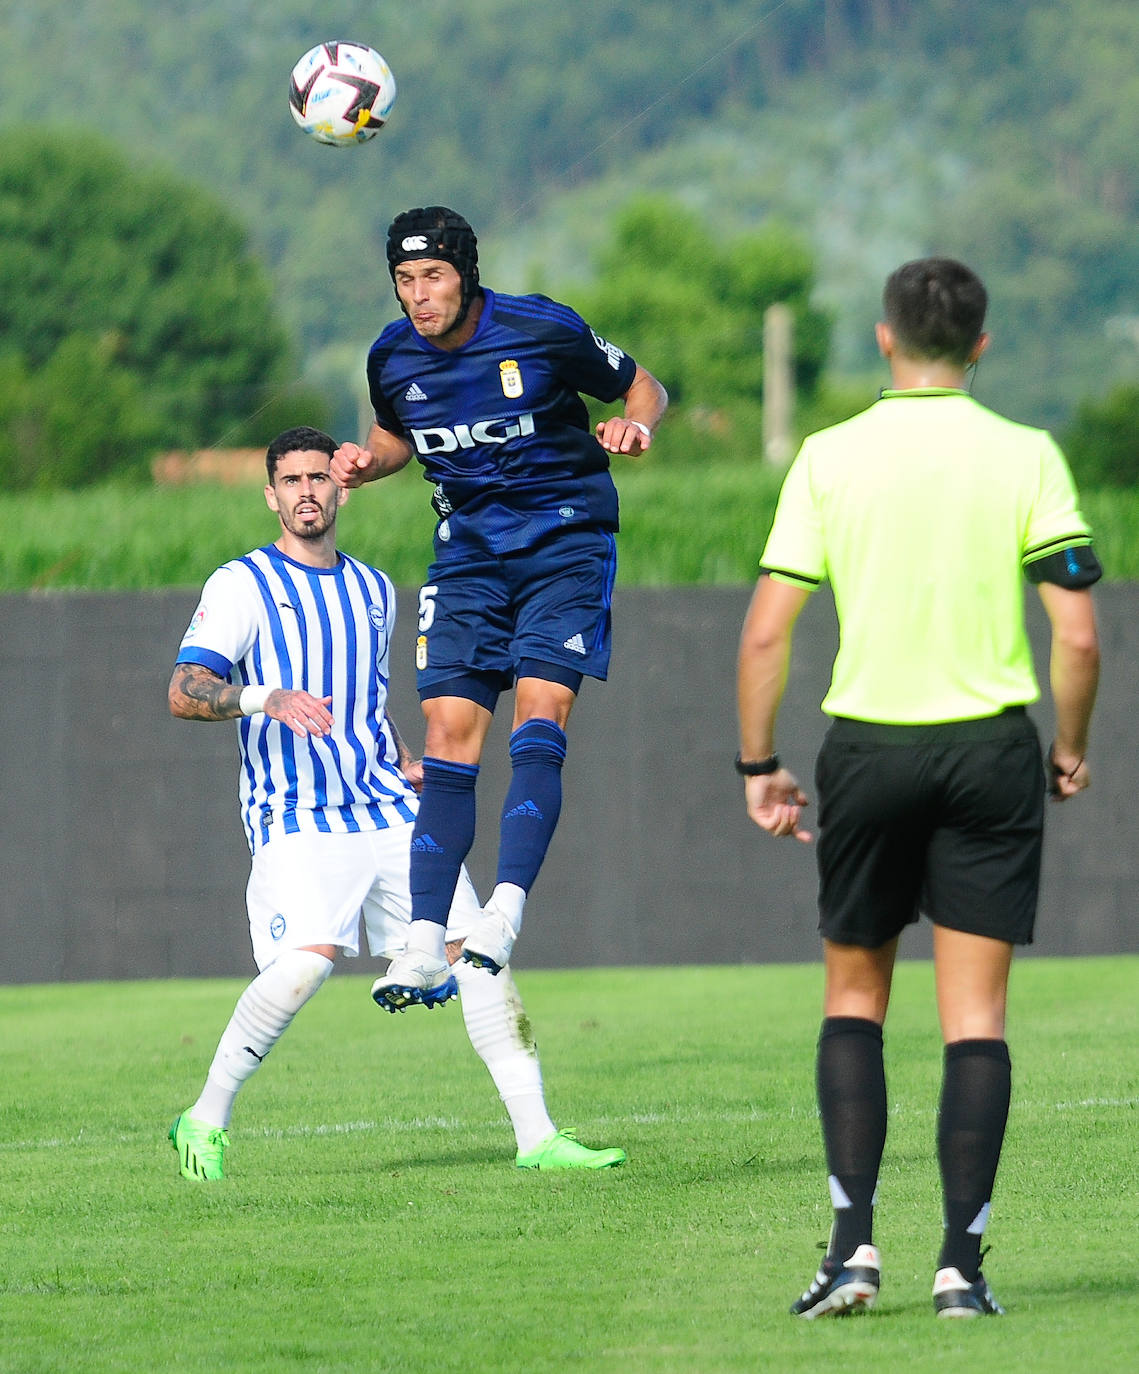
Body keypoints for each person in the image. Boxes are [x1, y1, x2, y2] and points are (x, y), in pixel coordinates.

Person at [736, 259, 1100, 1319]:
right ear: (978, 346)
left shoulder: (828, 455)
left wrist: (758, 765)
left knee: (853, 1001)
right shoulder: (1025, 455)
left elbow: (767, 627)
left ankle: (851, 1254)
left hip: (869, 751)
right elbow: (1073, 630)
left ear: (886, 339)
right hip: (989, 750)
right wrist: (1067, 746)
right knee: (973, 1017)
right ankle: (961, 1271)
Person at [167, 426, 625, 1180]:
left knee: (479, 952)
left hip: (385, 807)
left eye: (319, 478)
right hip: (295, 812)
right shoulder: (241, 584)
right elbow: (184, 692)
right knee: (303, 967)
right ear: (270, 495)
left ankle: (537, 1137)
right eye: (292, 481)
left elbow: (365, 703)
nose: (307, 491)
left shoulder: (374, 589)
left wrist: (406, 759)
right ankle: (204, 1118)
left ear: (340, 488)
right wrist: (265, 697)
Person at [331, 207, 668, 1007]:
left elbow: (643, 385)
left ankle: (505, 912)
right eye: (405, 280)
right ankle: (420, 943)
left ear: (465, 273)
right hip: (467, 557)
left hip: (564, 543)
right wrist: (363, 464)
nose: (419, 295)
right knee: (447, 734)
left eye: (433, 276)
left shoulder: (538, 328)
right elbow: (393, 436)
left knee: (537, 720)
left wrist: (633, 422)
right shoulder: (390, 354)